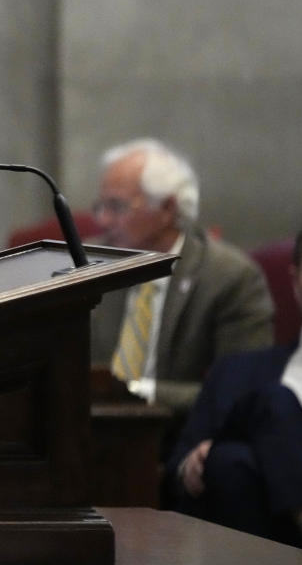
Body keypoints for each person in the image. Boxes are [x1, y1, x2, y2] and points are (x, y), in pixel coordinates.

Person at [89, 137, 273, 414]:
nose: (103, 220)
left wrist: (137, 391)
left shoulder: (230, 277)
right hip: (80, 434)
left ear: (167, 208)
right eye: (101, 206)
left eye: (117, 207)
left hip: (179, 440)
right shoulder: (86, 263)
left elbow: (243, 391)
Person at [167, 227, 302, 547]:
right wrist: (191, 464)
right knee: (229, 460)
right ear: (295, 281)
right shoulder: (237, 372)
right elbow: (176, 467)